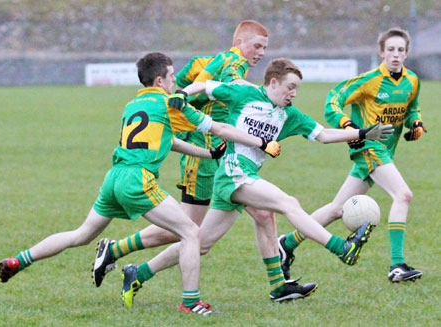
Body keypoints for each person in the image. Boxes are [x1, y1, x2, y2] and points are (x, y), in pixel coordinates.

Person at [0, 52, 282, 316]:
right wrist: (262, 142)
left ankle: (18, 261)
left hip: (114, 177)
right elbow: (218, 128)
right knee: (191, 234)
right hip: (138, 180)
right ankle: (190, 302)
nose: (176, 81)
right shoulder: (169, 103)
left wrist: (207, 153)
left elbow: (167, 141)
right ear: (160, 80)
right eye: (172, 77)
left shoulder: (133, 104)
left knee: (81, 235)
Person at [118, 58, 394, 307]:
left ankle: (138, 273)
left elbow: (322, 135)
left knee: (210, 240)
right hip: (233, 171)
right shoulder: (245, 93)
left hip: (243, 177)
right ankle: (341, 248)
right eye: (290, 87)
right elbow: (204, 85)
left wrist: (362, 133)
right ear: (273, 82)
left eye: (296, 88)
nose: (294, 94)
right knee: (288, 203)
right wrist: (181, 93)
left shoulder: (290, 115)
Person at [92, 20, 320, 302]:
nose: (261, 53)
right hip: (203, 157)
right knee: (188, 233)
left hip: (223, 156)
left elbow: (190, 80)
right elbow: (218, 82)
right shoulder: (231, 60)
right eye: (257, 46)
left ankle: (279, 286)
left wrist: (184, 92)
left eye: (265, 47)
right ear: (239, 43)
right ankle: (119, 255)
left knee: (262, 214)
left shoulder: (216, 61)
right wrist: (269, 95)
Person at [277, 27, 424, 283]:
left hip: (385, 150)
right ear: (381, 52)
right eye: (390, 49)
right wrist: (347, 125)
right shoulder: (369, 80)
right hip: (368, 147)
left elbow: (412, 107)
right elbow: (333, 99)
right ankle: (397, 265)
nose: (395, 54)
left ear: (407, 53)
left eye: (400, 50)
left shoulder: (412, 81)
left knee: (336, 209)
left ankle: (286, 244)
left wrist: (417, 124)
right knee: (403, 195)